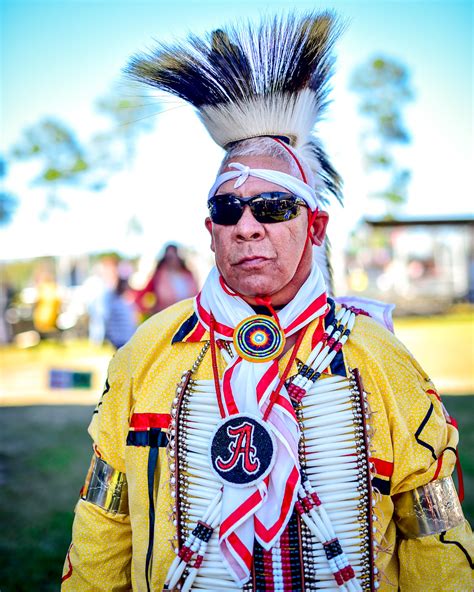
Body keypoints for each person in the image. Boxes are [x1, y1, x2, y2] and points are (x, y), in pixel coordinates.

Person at [62, 11, 473, 591]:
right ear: (211, 230)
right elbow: (105, 522)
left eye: (275, 207)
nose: (248, 226)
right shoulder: (147, 356)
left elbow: (437, 537)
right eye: (230, 210)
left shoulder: (381, 362)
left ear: (316, 226)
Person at [134, 244, 199, 318]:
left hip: (188, 317)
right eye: (169, 257)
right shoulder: (159, 276)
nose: (171, 260)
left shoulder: (188, 275)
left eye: (173, 256)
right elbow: (141, 295)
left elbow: (197, 295)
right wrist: (149, 310)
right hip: (167, 318)